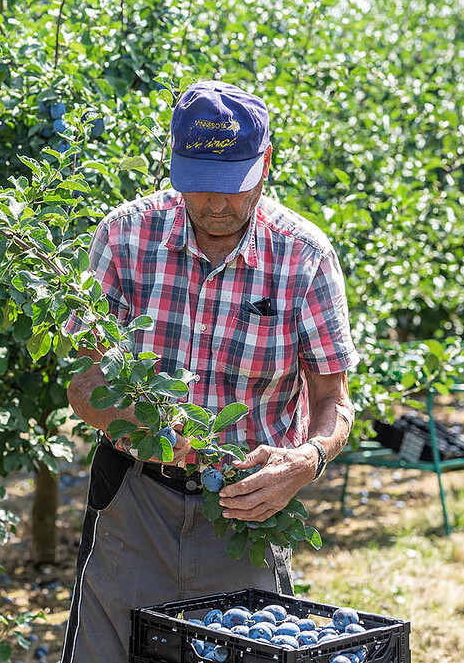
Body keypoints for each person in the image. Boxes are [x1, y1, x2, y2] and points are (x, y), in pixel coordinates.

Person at [58, 81, 359, 663]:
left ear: (265, 165)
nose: (215, 205)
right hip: (133, 503)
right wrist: (145, 425)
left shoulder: (303, 257)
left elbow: (332, 398)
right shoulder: (125, 236)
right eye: (199, 186)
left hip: (245, 514)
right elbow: (85, 381)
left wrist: (306, 460)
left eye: (232, 188)